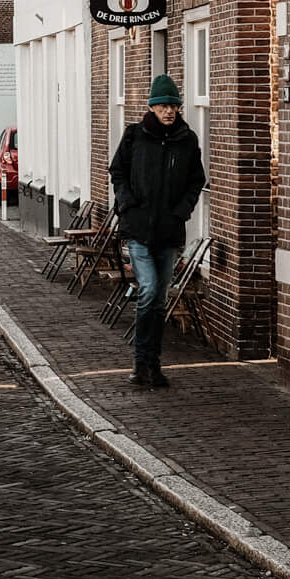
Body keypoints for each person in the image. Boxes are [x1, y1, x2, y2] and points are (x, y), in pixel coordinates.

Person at [107, 74, 207, 390]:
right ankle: (139, 363)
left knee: (159, 300)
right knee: (149, 289)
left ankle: (153, 364)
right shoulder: (135, 136)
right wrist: (127, 203)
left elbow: (196, 180)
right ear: (152, 108)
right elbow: (117, 171)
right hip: (137, 229)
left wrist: (182, 211)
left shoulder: (186, 140)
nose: (168, 112)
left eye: (173, 106)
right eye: (163, 106)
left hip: (169, 232)